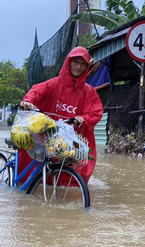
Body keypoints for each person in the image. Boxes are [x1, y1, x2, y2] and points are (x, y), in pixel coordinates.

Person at [18, 46, 103, 183]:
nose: (79, 67)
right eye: (76, 62)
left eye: (83, 64)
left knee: (75, 170)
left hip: (71, 139)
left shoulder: (89, 92)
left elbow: (95, 112)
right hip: (48, 134)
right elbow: (36, 92)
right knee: (31, 167)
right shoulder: (53, 84)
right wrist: (28, 102)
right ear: (68, 62)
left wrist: (83, 119)